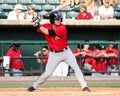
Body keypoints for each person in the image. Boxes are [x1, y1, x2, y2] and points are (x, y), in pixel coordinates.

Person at [27, 11, 90, 92]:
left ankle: (84, 86)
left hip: (66, 52)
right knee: (48, 73)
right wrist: (35, 22)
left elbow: (50, 32)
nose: (59, 20)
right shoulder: (47, 26)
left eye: (60, 19)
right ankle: (34, 86)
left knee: (76, 68)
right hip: (54, 54)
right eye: (57, 19)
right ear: (52, 20)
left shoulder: (62, 27)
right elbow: (33, 30)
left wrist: (38, 23)